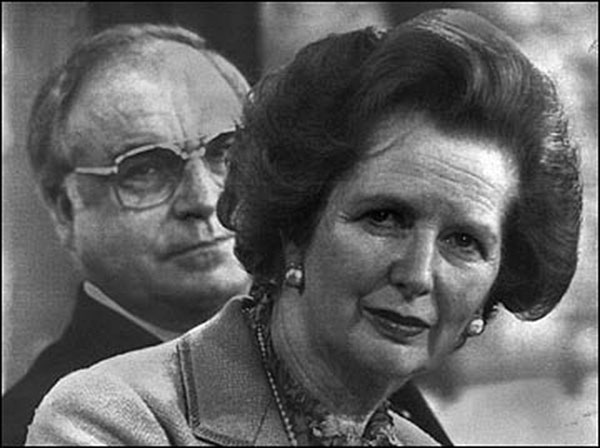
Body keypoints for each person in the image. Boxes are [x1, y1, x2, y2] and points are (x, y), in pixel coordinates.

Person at [25, 8, 582, 446]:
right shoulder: (112, 418)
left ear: (492, 290)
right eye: (384, 217)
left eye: (465, 242)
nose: (417, 275)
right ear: (295, 226)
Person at [2, 23, 253, 446]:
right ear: (65, 209)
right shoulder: (37, 428)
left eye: (225, 152)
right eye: (146, 169)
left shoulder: (336, 375)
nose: (204, 199)